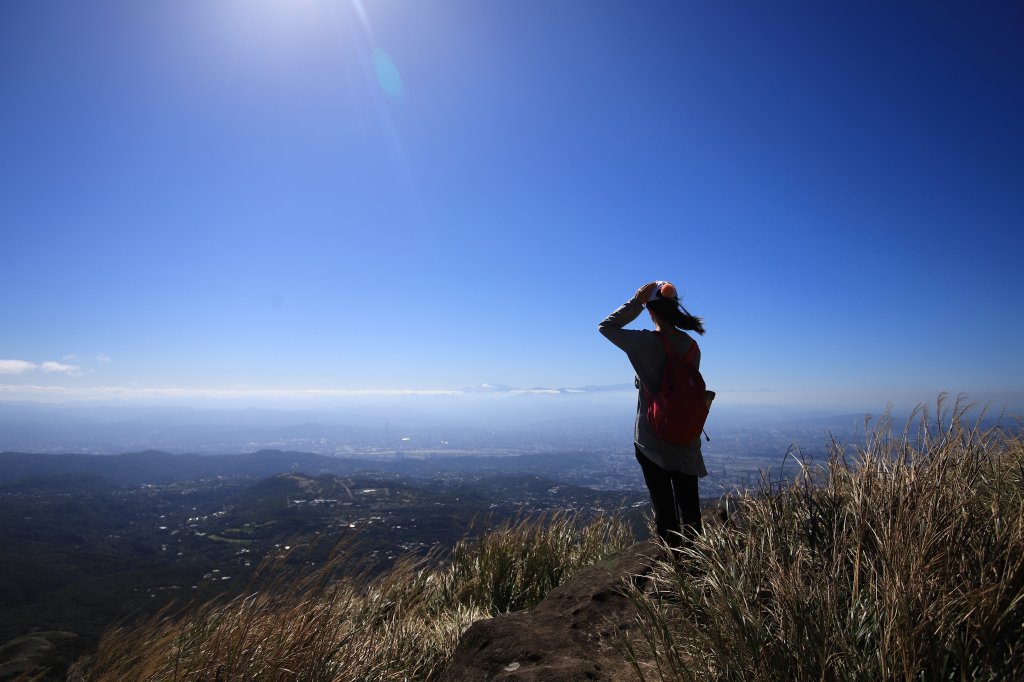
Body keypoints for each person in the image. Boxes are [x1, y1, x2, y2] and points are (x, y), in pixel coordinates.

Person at [599, 281, 707, 549]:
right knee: (690, 506)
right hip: (686, 433)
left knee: (665, 508)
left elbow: (606, 327)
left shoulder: (644, 343)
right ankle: (698, 561)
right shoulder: (691, 346)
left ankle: (673, 564)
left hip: (652, 438)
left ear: (650, 311)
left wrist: (636, 301)